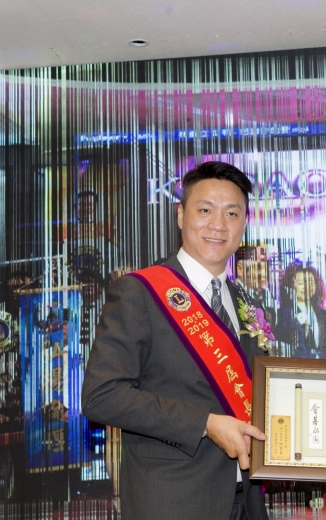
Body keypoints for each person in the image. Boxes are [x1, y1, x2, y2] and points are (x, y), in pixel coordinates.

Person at [81, 161, 269, 520]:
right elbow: (101, 395)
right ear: (181, 215)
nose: (218, 224)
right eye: (205, 210)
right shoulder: (141, 292)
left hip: (246, 503)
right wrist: (205, 423)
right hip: (174, 501)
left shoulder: (245, 302)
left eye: (232, 213)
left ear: (244, 224)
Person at [276, 262, 326, 359]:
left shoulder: (324, 315)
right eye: (301, 283)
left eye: (311, 282)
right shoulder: (283, 314)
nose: (307, 286)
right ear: (291, 286)